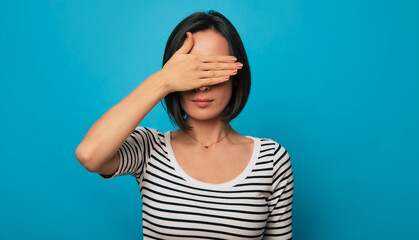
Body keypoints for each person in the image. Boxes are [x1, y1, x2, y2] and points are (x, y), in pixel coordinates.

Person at [75, 10, 294, 239]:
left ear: (236, 76)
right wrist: (162, 80)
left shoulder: (271, 160)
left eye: (212, 70)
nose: (202, 86)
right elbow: (89, 154)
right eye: (192, 71)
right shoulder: (149, 148)